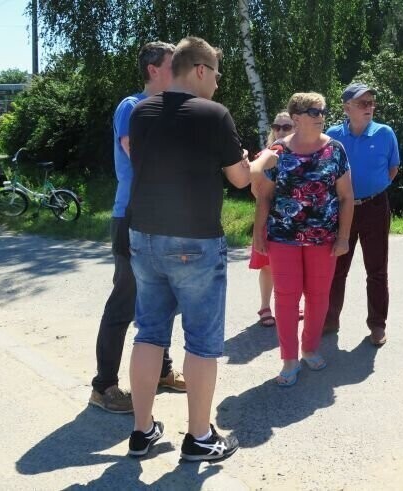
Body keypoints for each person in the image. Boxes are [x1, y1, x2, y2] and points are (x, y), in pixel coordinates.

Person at [125, 36, 250, 461]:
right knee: (201, 341)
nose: (217, 82)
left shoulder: (141, 112)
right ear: (199, 70)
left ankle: (141, 433)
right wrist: (261, 160)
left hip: (143, 236)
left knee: (149, 333)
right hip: (194, 239)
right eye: (216, 72)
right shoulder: (213, 114)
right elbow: (240, 178)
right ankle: (199, 437)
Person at [89, 41, 184, 415]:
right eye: (172, 64)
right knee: (125, 300)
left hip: (161, 216)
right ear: (153, 69)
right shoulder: (133, 107)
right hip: (132, 215)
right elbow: (140, 155)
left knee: (163, 297)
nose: (179, 70)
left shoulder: (168, 109)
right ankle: (104, 387)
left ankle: (160, 371)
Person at [251, 92, 353, 387]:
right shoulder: (278, 151)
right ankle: (289, 359)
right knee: (285, 297)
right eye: (312, 111)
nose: (320, 115)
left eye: (322, 110)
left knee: (319, 296)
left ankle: (309, 348)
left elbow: (347, 197)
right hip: (283, 237)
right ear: (295, 118)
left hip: (324, 238)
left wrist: (344, 237)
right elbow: (265, 198)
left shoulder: (335, 150)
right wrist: (259, 234)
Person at [323, 82, 400, 347]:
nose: (370, 107)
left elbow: (392, 169)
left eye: (371, 102)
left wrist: (370, 191)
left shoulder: (385, 133)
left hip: (375, 206)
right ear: (347, 107)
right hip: (341, 208)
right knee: (336, 267)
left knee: (377, 269)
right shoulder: (333, 136)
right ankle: (329, 319)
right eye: (362, 103)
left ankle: (377, 325)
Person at [249, 111, 295, 327]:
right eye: (277, 126)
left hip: (293, 220)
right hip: (269, 219)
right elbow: (255, 192)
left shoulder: (301, 154)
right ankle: (265, 306)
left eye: (286, 127)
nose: (280, 131)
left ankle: (290, 303)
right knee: (268, 266)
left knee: (293, 266)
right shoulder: (265, 155)